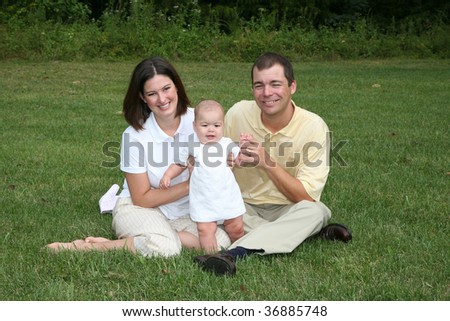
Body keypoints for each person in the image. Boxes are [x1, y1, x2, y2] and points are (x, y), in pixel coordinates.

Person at [47, 57, 231, 255]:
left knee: (221, 241)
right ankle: (96, 247)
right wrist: (191, 183)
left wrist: (227, 162)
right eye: (152, 93)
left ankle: (146, 238)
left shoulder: (201, 121)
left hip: (185, 211)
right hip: (140, 207)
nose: (162, 99)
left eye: (166, 88)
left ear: (177, 87)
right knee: (166, 248)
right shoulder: (134, 136)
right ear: (143, 98)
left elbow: (221, 156)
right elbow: (142, 199)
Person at [194, 52, 352, 276]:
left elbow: (305, 196)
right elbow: (210, 151)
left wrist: (267, 162)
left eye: (275, 84)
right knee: (223, 216)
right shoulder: (238, 113)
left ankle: (233, 253)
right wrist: (225, 162)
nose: (266, 93)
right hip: (241, 206)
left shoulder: (313, 127)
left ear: (292, 86)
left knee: (317, 211)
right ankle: (309, 234)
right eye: (259, 85)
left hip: (287, 208)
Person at [160, 99, 245, 254]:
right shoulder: (192, 145)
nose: (211, 130)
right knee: (206, 230)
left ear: (223, 126)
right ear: (195, 126)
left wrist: (243, 152)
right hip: (203, 199)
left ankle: (238, 249)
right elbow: (179, 163)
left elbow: (240, 158)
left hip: (227, 197)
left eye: (216, 125)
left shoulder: (226, 144)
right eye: (205, 125)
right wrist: (168, 175)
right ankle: (212, 257)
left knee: (236, 226)